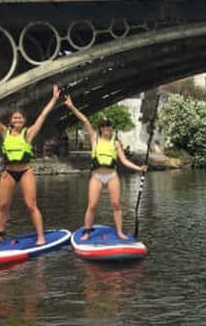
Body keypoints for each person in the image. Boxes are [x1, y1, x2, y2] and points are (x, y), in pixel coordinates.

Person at [0, 84, 61, 245]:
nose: (17, 120)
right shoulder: (4, 132)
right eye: (15, 118)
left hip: (25, 172)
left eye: (20, 118)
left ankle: (40, 237)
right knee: (3, 206)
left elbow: (42, 116)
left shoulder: (28, 133)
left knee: (31, 205)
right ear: (10, 120)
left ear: (24, 121)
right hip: (8, 173)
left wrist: (54, 99)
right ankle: (0, 235)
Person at [63, 95, 147, 241]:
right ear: (100, 129)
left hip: (112, 176)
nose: (106, 128)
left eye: (108, 126)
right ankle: (87, 231)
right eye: (104, 126)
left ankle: (120, 232)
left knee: (116, 204)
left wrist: (139, 168)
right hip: (97, 176)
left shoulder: (116, 143)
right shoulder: (94, 139)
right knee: (92, 205)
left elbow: (124, 161)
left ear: (111, 128)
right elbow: (85, 120)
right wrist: (71, 106)